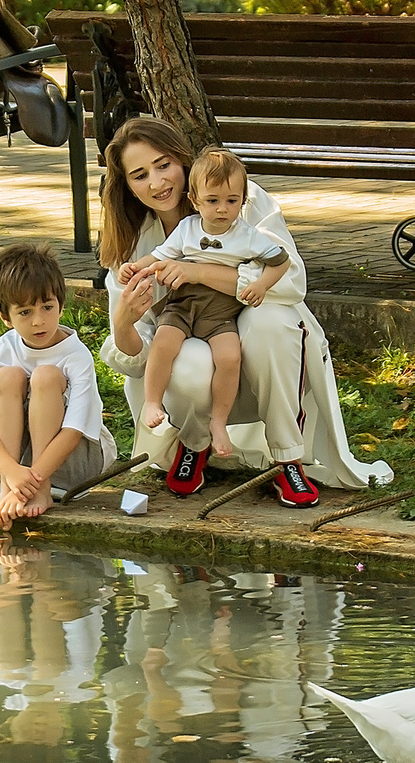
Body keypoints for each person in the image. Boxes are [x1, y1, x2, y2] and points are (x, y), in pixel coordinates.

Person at [97, 115, 392, 502]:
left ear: (183, 161)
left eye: (164, 164)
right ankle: (194, 443)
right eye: (139, 175)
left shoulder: (238, 197)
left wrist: (199, 272)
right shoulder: (135, 245)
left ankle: (288, 458)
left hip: (258, 350)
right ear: (128, 186)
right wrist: (122, 322)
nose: (156, 182)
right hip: (197, 357)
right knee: (182, 357)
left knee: (271, 322)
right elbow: (137, 361)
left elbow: (291, 280)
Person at [122, 146, 288, 463]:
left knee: (230, 357)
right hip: (183, 303)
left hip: (222, 311)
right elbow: (160, 257)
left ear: (243, 200)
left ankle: (218, 421)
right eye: (212, 201)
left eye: (232, 201)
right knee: (163, 342)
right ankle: (153, 401)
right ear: (196, 201)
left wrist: (260, 284)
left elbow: (281, 262)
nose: (223, 209)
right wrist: (138, 268)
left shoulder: (249, 236)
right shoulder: (187, 229)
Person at [0, 241, 118, 528]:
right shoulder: (1, 351)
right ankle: (7, 490)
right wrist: (10, 472)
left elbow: (74, 432)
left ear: (61, 305)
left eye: (47, 307)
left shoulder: (76, 356)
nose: (39, 321)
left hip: (77, 460)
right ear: (5, 317)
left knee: (47, 376)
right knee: (8, 377)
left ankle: (38, 491)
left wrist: (32, 480)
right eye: (25, 312)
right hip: (20, 467)